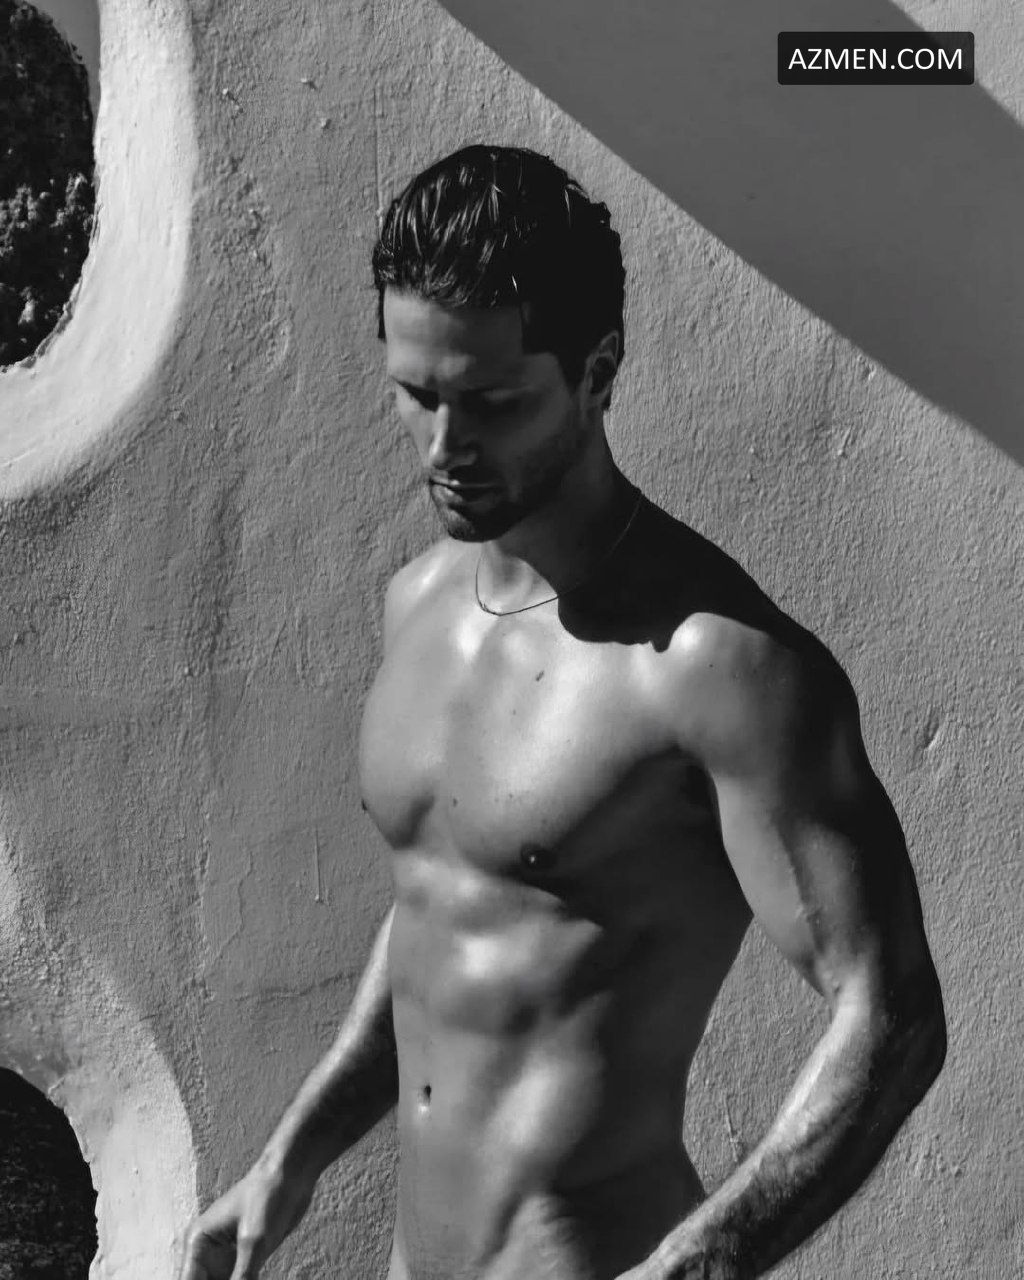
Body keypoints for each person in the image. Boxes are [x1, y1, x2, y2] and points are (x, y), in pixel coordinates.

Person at [178, 144, 946, 1280]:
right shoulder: (417, 604)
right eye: (417, 394)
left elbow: (891, 1016)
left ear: (597, 368)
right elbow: (444, 909)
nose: (445, 448)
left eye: (492, 403)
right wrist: (294, 1152)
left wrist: (708, 1257)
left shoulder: (715, 667)